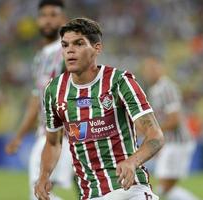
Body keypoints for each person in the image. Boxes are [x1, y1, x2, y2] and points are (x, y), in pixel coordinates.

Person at [34, 18, 164, 200]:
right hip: (91, 195)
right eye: (65, 45)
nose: (70, 50)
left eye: (78, 44)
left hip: (130, 190)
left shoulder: (120, 82)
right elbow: (54, 142)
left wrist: (132, 162)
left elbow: (155, 136)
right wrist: (44, 176)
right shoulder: (54, 91)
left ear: (97, 48)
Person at [5, 1, 73, 200]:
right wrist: (19, 135)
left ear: (63, 19)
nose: (48, 20)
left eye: (54, 15)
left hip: (64, 135)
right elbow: (37, 100)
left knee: (40, 193)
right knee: (41, 193)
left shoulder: (69, 53)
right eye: (44, 15)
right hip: (46, 133)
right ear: (37, 20)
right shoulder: (41, 58)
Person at [141, 57, 198, 200]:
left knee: (165, 188)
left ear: (161, 69)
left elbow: (174, 121)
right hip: (171, 143)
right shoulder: (155, 89)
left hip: (178, 143)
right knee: (164, 188)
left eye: (153, 69)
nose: (149, 73)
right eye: (147, 70)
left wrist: (153, 131)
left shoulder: (166, 88)